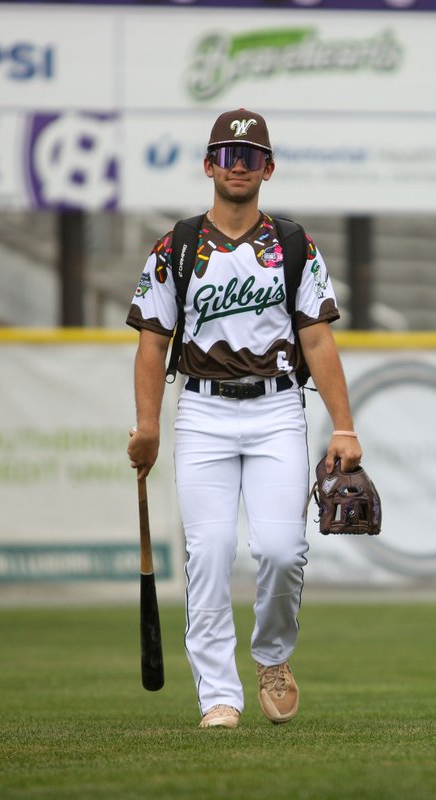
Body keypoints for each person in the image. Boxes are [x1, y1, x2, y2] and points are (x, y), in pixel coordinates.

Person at [126, 108, 362, 730]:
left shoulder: (293, 244)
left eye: (250, 156)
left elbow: (317, 339)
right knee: (209, 554)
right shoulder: (177, 246)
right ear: (209, 165)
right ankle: (218, 695)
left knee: (282, 551)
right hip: (202, 409)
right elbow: (152, 343)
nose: (238, 166)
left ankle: (273, 656)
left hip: (277, 406)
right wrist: (148, 425)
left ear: (268, 168)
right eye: (228, 156)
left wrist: (343, 425)